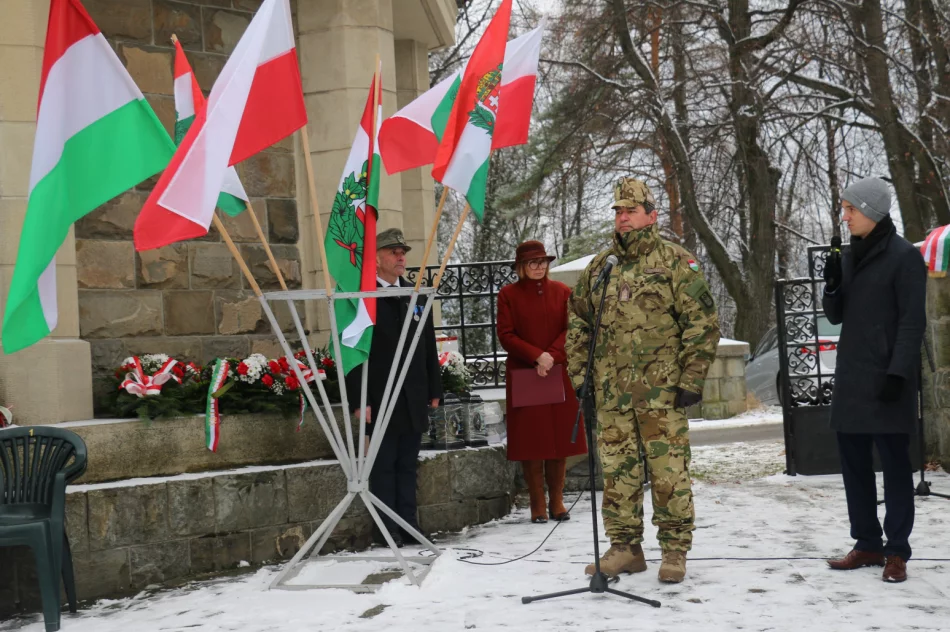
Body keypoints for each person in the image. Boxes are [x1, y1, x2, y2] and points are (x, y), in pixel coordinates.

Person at [566, 178, 720, 583]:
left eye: (631, 211)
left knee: (669, 474)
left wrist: (692, 378)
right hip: (612, 394)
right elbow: (578, 322)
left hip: (662, 394)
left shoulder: (675, 261)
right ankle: (625, 548)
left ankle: (674, 550)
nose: (623, 218)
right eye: (618, 211)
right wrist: (581, 377)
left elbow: (702, 324)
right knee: (619, 475)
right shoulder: (601, 267)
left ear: (651, 216)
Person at [822, 177, 926, 583]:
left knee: (896, 467)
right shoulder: (850, 255)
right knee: (854, 466)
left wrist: (898, 373)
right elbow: (836, 316)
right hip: (853, 377)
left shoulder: (904, 257)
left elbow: (912, 322)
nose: (845, 217)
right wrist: (832, 284)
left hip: (887, 379)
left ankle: (896, 551)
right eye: (844, 210)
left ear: (872, 211)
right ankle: (866, 542)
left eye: (850, 209)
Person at [345, 228, 442, 548]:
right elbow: (354, 351)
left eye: (403, 252)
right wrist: (359, 399)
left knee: (408, 464)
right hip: (380, 395)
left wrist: (435, 388)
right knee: (384, 466)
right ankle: (387, 530)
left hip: (412, 394)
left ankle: (409, 525)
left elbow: (427, 344)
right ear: (375, 259)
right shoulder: (363, 298)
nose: (401, 257)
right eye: (393, 252)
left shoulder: (415, 295)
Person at [497, 241, 588, 524]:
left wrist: (551, 356)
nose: (539, 267)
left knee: (559, 441)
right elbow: (506, 334)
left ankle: (557, 501)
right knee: (533, 442)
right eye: (532, 263)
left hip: (556, 372)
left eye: (543, 262)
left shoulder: (562, 292)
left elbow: (571, 329)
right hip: (526, 373)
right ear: (521, 267)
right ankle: (537, 503)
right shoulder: (508, 295)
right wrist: (536, 356)